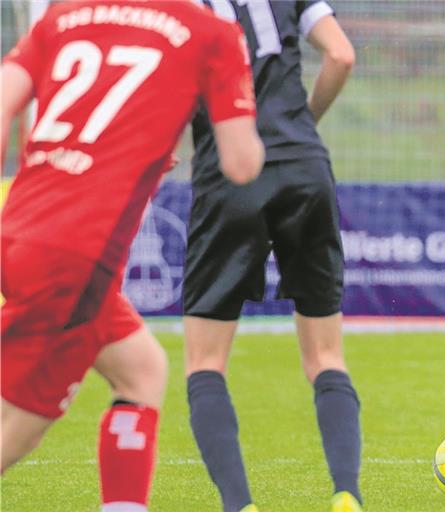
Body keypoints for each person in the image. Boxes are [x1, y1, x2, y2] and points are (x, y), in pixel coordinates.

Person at [0, 1, 263, 511]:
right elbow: (241, 163)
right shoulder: (211, 32)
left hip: (20, 229)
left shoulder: (65, 14)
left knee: (141, 370)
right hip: (78, 255)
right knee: (20, 427)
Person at [182, 1, 361, 511]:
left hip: (228, 168)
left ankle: (240, 505)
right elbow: (341, 55)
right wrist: (302, 124)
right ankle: (347, 493)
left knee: (205, 362)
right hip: (304, 163)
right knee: (326, 356)